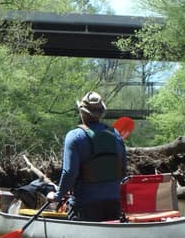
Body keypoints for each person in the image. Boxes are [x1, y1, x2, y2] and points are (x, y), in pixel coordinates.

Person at [46, 91, 127, 221]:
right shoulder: (116, 135)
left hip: (85, 205)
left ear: (82, 112)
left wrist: (57, 196)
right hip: (115, 204)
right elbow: (123, 170)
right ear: (101, 113)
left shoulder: (74, 136)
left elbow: (69, 172)